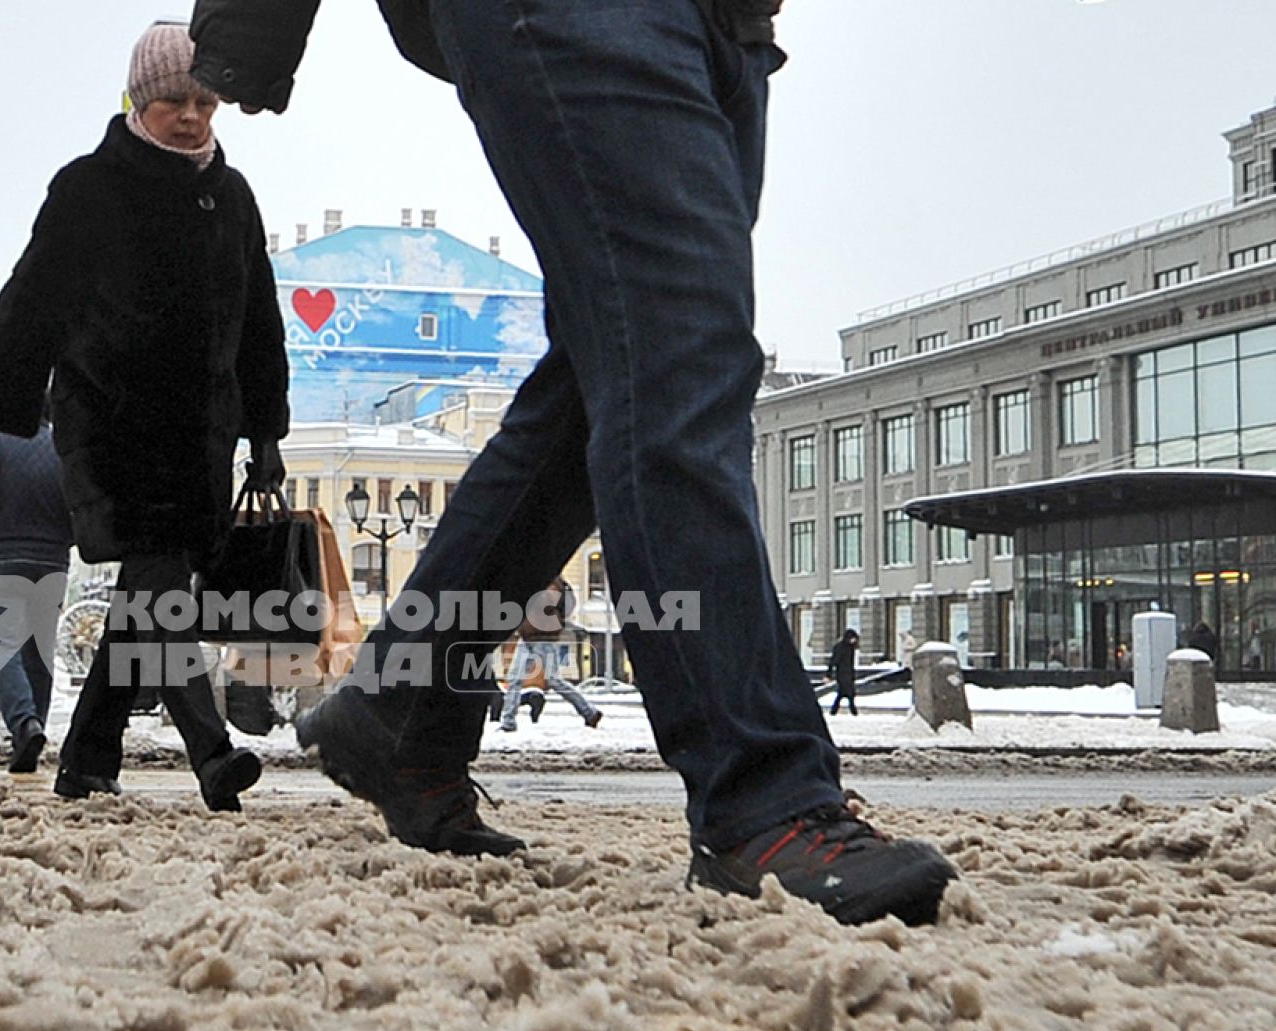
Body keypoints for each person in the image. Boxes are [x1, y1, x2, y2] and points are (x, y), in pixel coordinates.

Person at [191, 0, 957, 925]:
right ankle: (761, 798)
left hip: (728, 23)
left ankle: (398, 704)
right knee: (675, 350)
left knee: (618, 364)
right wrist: (248, 27)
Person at [0, 21, 289, 813]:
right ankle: (212, 753)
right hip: (113, 422)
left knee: (144, 596)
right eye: (174, 100)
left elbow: (259, 320)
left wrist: (264, 430)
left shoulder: (231, 197)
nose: (192, 116)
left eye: (204, 101)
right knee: (160, 580)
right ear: (138, 98)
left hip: (200, 431)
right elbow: (31, 304)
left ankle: (88, 759)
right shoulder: (90, 187)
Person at [0, 416, 75, 774]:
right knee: (39, 648)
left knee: (3, 644)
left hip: (4, 556)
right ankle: (32, 731)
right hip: (51, 561)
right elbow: (80, 502)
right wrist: (63, 541)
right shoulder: (64, 447)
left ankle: (25, 724)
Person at [500, 579, 601, 732]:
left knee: (553, 680)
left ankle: (589, 712)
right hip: (527, 636)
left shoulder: (551, 581)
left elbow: (543, 604)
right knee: (515, 679)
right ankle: (508, 722)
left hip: (544, 637)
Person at [828, 628, 860, 716]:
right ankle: (853, 712)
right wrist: (829, 674)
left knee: (844, 693)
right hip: (842, 674)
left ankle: (834, 711)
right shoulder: (841, 647)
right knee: (849, 693)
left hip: (848, 673)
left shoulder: (850, 647)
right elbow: (834, 661)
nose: (854, 641)